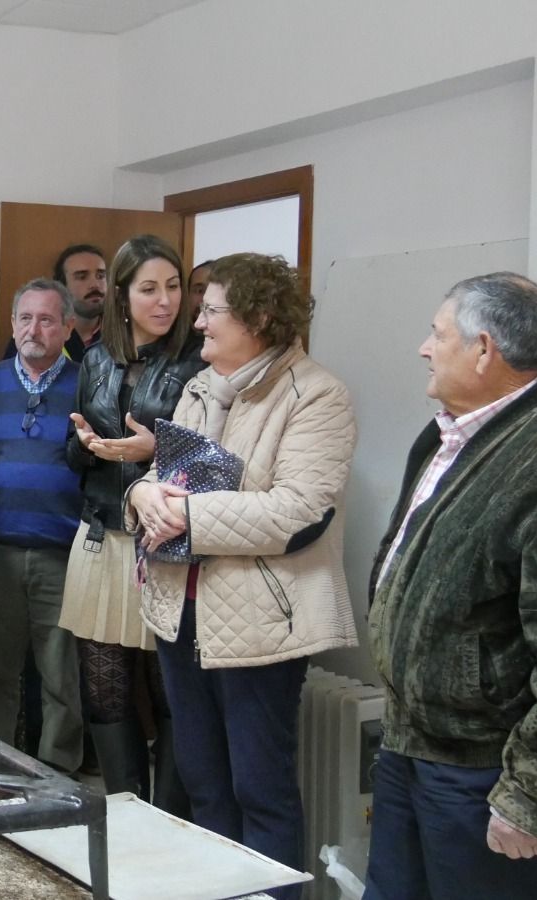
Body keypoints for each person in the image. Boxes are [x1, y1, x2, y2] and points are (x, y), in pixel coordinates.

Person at [364, 273, 537, 900]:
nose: (425, 347)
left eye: (438, 334)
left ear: (483, 350)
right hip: (410, 745)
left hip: (486, 772)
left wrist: (533, 794)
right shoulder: (446, 433)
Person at [126, 252, 358, 896]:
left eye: (211, 310)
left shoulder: (317, 395)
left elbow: (299, 511)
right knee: (203, 784)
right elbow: (163, 478)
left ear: (257, 317)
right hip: (181, 612)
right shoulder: (200, 387)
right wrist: (141, 495)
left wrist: (185, 515)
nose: (198, 322)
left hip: (263, 623)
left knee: (261, 789)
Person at [61, 234, 201, 811]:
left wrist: (151, 451)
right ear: (121, 296)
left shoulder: (198, 360)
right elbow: (74, 456)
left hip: (166, 543)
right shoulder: (95, 359)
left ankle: (169, 819)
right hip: (101, 536)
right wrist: (85, 444)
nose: (164, 301)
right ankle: (124, 816)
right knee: (104, 692)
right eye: (149, 289)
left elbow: (216, 461)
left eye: (172, 287)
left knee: (172, 693)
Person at [0, 278, 87, 774]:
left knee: (61, 677)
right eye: (25, 318)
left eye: (47, 320)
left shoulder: (87, 384)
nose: (34, 329)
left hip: (62, 553)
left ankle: (57, 779)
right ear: (13, 324)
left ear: (68, 327)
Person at [2, 243, 108, 361]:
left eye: (101, 276)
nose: (95, 284)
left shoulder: (119, 333)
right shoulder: (33, 335)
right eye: (82, 277)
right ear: (62, 286)